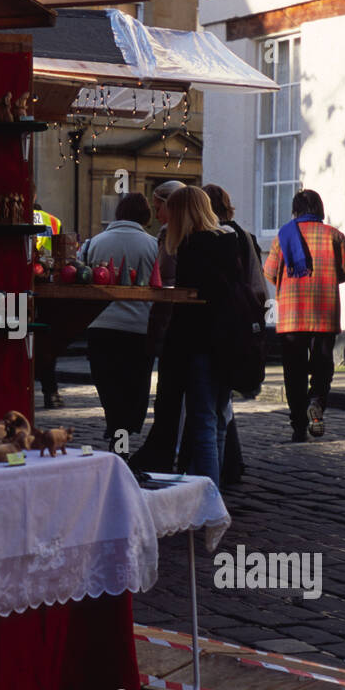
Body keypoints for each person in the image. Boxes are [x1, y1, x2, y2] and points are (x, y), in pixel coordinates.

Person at [263, 189, 345, 442]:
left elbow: (270, 271)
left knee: (293, 372)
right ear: (320, 209)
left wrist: (287, 283)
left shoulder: (283, 236)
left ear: (295, 210)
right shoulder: (334, 236)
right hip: (325, 313)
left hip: (292, 316)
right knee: (323, 366)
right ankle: (316, 401)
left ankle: (297, 425)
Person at [161, 186, 241, 484]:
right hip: (228, 339)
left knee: (203, 421)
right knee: (218, 419)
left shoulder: (192, 245)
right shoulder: (230, 239)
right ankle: (213, 489)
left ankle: (207, 493)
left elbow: (189, 298)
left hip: (200, 341)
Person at [78, 193, 159, 451]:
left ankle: (117, 433)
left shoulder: (92, 244)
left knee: (109, 388)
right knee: (134, 389)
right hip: (138, 328)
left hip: (101, 326)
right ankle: (122, 437)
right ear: (145, 216)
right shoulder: (154, 245)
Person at [203, 184, 267, 484]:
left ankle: (219, 469)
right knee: (222, 401)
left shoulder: (209, 238)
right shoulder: (244, 235)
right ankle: (230, 464)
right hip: (239, 322)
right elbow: (258, 284)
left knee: (212, 405)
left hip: (218, 324)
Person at [131, 180, 186, 472]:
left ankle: (165, 450)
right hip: (177, 321)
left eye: (158, 207)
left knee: (171, 391)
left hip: (171, 321)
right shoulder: (183, 231)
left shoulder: (171, 234)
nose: (156, 214)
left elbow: (164, 274)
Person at [33, 206, 65, 408]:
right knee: (45, 340)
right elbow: (62, 256)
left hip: (17, 284)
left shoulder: (18, 214)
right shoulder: (54, 221)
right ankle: (51, 393)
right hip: (46, 286)